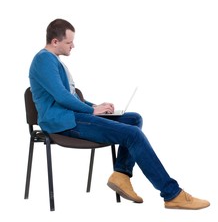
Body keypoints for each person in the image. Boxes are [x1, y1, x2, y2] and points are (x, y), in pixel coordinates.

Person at [29, 18, 210, 210]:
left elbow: (70, 96)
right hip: (62, 122)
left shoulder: (53, 61)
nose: (73, 45)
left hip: (72, 116)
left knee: (134, 119)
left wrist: (96, 106)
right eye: (69, 42)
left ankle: (121, 174)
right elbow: (62, 96)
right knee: (133, 134)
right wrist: (92, 111)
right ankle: (172, 194)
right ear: (55, 41)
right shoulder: (43, 59)